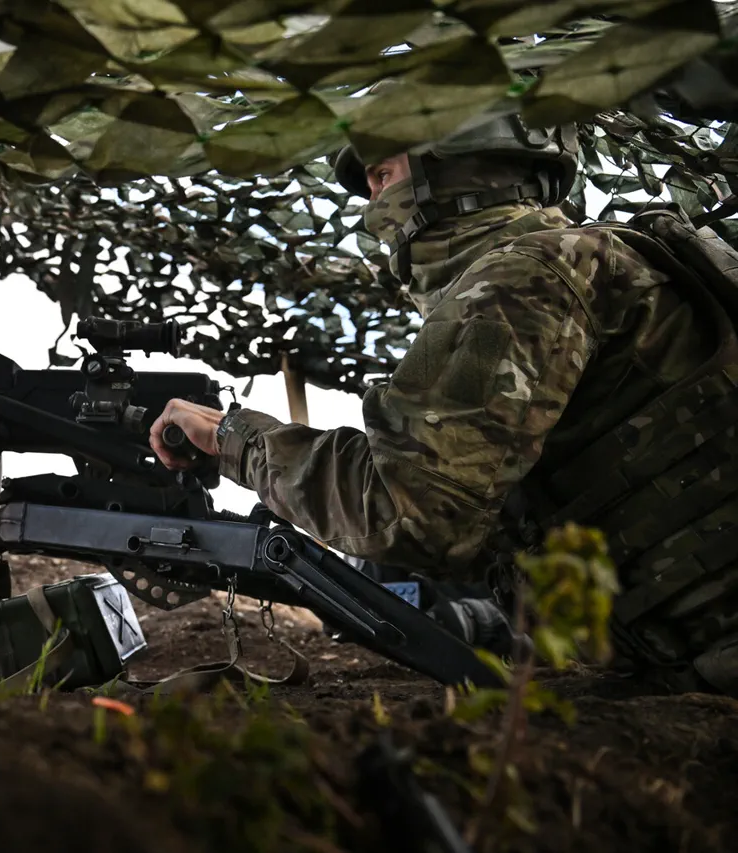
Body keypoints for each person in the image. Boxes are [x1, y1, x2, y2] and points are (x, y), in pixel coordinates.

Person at [148, 111, 738, 694]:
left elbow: (405, 512)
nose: (373, 204)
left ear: (452, 156)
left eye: (383, 175)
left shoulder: (521, 280)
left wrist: (235, 440)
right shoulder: (579, 259)